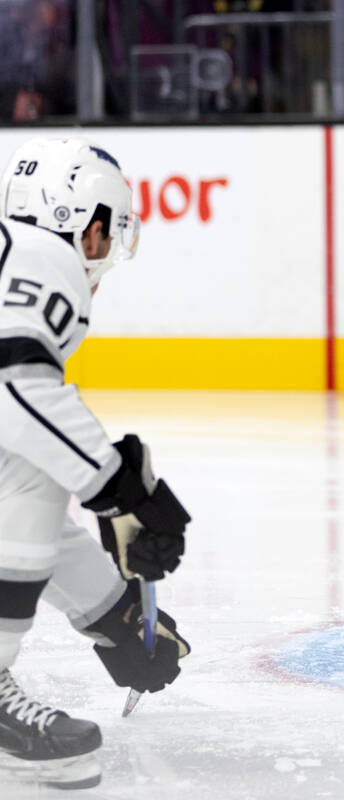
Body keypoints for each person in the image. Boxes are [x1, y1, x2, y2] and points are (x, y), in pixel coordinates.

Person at [0, 138, 191, 789]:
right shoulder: (43, 255)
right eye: (107, 235)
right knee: (34, 469)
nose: (105, 256)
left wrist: (116, 616)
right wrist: (121, 491)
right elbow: (17, 388)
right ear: (92, 223)